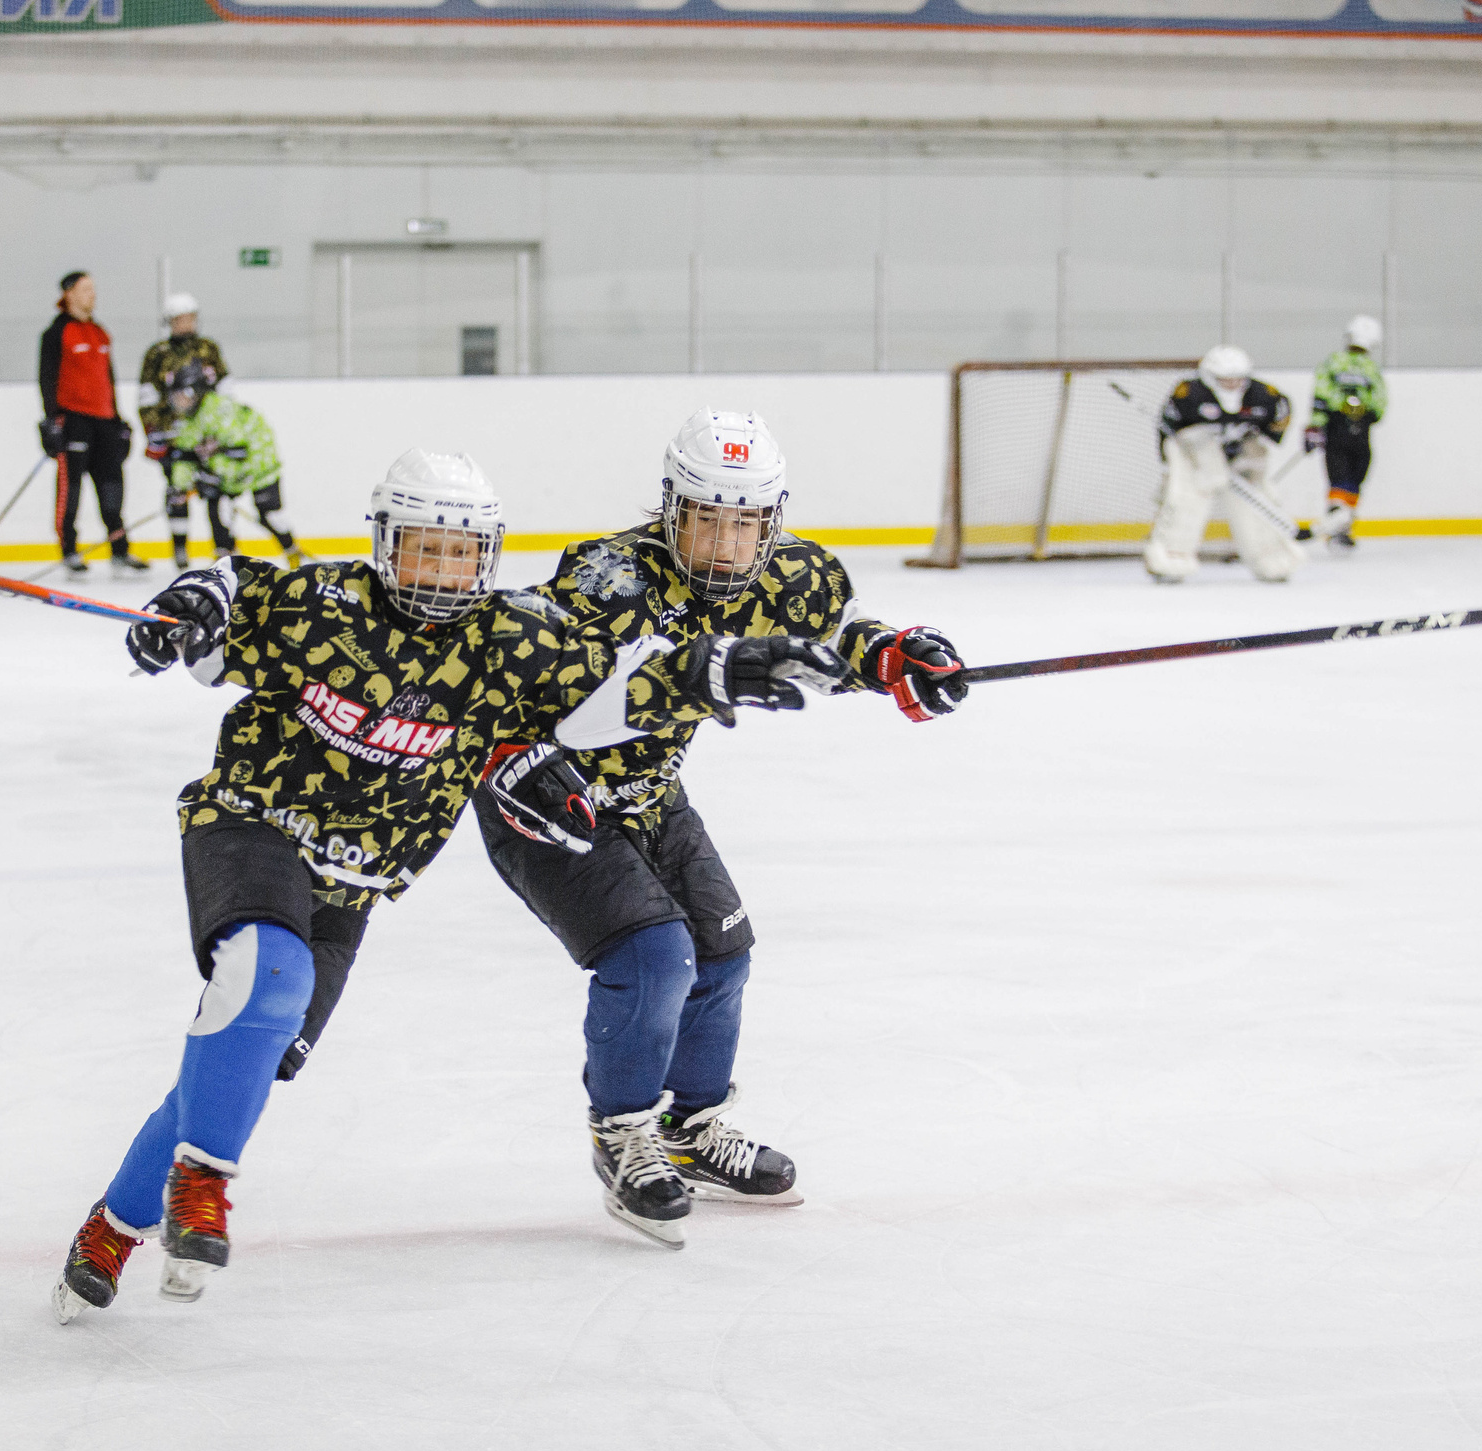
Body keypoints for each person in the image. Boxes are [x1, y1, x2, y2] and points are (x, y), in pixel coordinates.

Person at [52, 450, 618, 1318]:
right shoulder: (325, 607)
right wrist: (189, 609)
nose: (442, 572)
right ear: (387, 544)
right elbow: (231, 594)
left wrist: (717, 672)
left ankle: (115, 1225)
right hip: (255, 823)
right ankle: (202, 1183)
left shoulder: (511, 641)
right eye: (424, 548)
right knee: (268, 979)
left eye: (460, 552)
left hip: (353, 887)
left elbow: (607, 688)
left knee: (243, 1057)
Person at [476, 410, 969, 1248]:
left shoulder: (796, 574)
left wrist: (893, 656)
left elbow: (835, 638)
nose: (725, 542)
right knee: (651, 956)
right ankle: (624, 1135)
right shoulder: (607, 577)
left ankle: (690, 1128)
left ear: (772, 520)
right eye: (707, 518)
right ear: (671, 509)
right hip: (544, 787)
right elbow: (576, 706)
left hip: (650, 791)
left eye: (746, 522)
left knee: (722, 949)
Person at [1143, 345, 1301, 585]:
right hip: (1196, 454)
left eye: (1237, 379)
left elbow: (1279, 419)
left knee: (1255, 499)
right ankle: (1171, 557)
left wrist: (1247, 447)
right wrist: (1177, 463)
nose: (1232, 385)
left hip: (1242, 452)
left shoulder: (1264, 395)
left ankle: (1271, 558)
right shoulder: (1188, 394)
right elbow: (1170, 432)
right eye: (1225, 380)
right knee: (1188, 496)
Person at [35, 271, 135, 579]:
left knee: (112, 486)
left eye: (93, 289)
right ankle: (69, 550)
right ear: (69, 294)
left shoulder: (100, 333)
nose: (93, 294)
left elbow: (108, 379)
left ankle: (120, 550)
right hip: (73, 420)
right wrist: (51, 420)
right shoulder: (56, 333)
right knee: (72, 489)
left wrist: (118, 419)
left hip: (105, 421)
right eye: (86, 289)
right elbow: (47, 378)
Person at [160, 362, 299, 571]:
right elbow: (186, 456)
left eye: (182, 396)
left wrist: (213, 476)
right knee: (217, 507)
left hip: (260, 466)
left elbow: (239, 453)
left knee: (270, 515)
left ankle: (292, 552)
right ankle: (226, 557)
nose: (177, 402)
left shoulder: (220, 410)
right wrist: (179, 486)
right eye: (175, 396)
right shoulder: (189, 420)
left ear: (196, 392)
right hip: (230, 472)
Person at [1307, 316, 1388, 552]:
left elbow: (1321, 393)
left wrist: (1315, 425)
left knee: (1340, 478)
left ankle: (1338, 525)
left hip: (1336, 427)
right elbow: (1380, 402)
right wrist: (1368, 415)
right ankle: (1340, 527)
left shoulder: (1333, 362)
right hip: (1359, 430)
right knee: (1352, 477)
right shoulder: (1371, 368)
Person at [136, 290, 225, 465]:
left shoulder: (208, 348)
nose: (187, 324)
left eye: (191, 318)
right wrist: (153, 430)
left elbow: (224, 386)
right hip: (172, 432)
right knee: (178, 477)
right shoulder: (158, 353)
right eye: (181, 319)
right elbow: (148, 395)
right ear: (171, 321)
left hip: (207, 431)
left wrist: (223, 424)